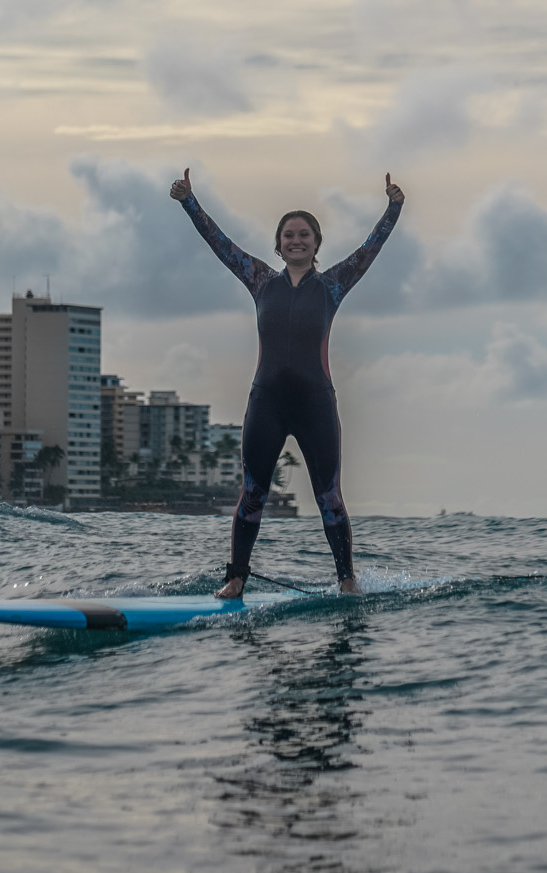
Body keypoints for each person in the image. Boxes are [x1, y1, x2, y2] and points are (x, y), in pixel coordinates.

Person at [170, 168, 404, 597]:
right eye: (288, 236)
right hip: (268, 405)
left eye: (304, 236)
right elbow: (220, 244)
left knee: (329, 497)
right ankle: (237, 578)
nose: (296, 241)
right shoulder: (260, 281)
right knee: (252, 494)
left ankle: (346, 580)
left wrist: (394, 207)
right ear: (277, 245)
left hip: (316, 404)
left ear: (316, 244)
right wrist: (189, 201)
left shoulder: (333, 285)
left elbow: (372, 247)